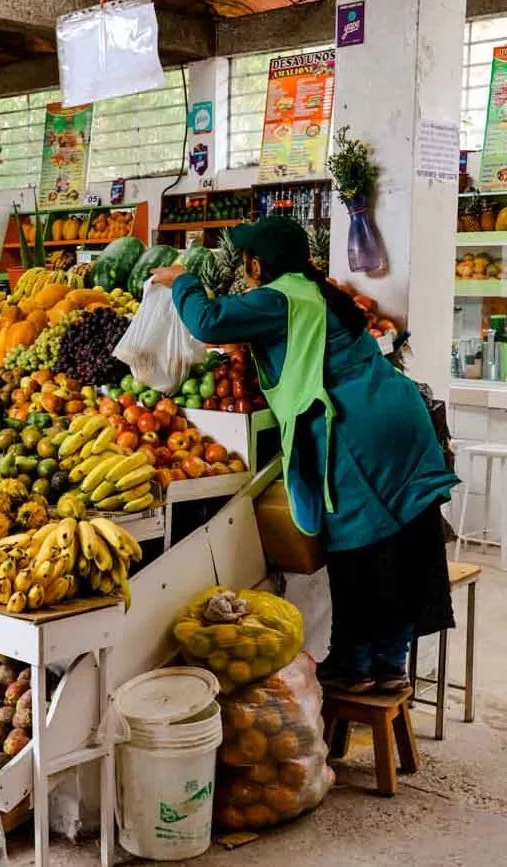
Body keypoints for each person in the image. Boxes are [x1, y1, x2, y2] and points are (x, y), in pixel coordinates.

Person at [152, 217, 459, 694]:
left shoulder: (280, 298)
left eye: (245, 263)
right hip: (398, 418)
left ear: (255, 264)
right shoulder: (315, 292)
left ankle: (355, 665)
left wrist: (182, 281)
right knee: (404, 539)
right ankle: (390, 664)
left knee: (357, 541)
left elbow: (206, 320)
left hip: (361, 430)